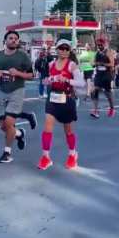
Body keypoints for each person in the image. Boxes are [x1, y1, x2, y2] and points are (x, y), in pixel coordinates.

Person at [38, 39, 84, 170]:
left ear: (69, 51)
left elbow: (81, 83)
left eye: (66, 49)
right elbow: (47, 80)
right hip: (53, 98)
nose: (63, 51)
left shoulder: (72, 65)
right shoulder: (51, 64)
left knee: (68, 129)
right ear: (56, 49)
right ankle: (45, 157)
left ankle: (72, 154)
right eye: (61, 48)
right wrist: (47, 81)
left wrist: (67, 80)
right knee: (47, 127)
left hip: (67, 99)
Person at [0, 30, 35, 164]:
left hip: (17, 90)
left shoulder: (22, 56)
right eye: (11, 38)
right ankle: (20, 134)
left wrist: (19, 73)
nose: (14, 40)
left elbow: (31, 75)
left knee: (9, 123)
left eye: (16, 39)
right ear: (5, 41)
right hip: (3, 91)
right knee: (3, 126)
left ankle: (7, 153)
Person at [90, 36, 115, 118]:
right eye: (98, 45)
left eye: (101, 45)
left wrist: (103, 64)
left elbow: (112, 64)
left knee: (107, 93)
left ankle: (112, 108)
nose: (99, 47)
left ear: (104, 44)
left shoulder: (108, 52)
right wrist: (94, 64)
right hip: (98, 74)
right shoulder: (97, 53)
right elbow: (93, 62)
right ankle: (95, 111)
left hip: (106, 75)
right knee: (94, 91)